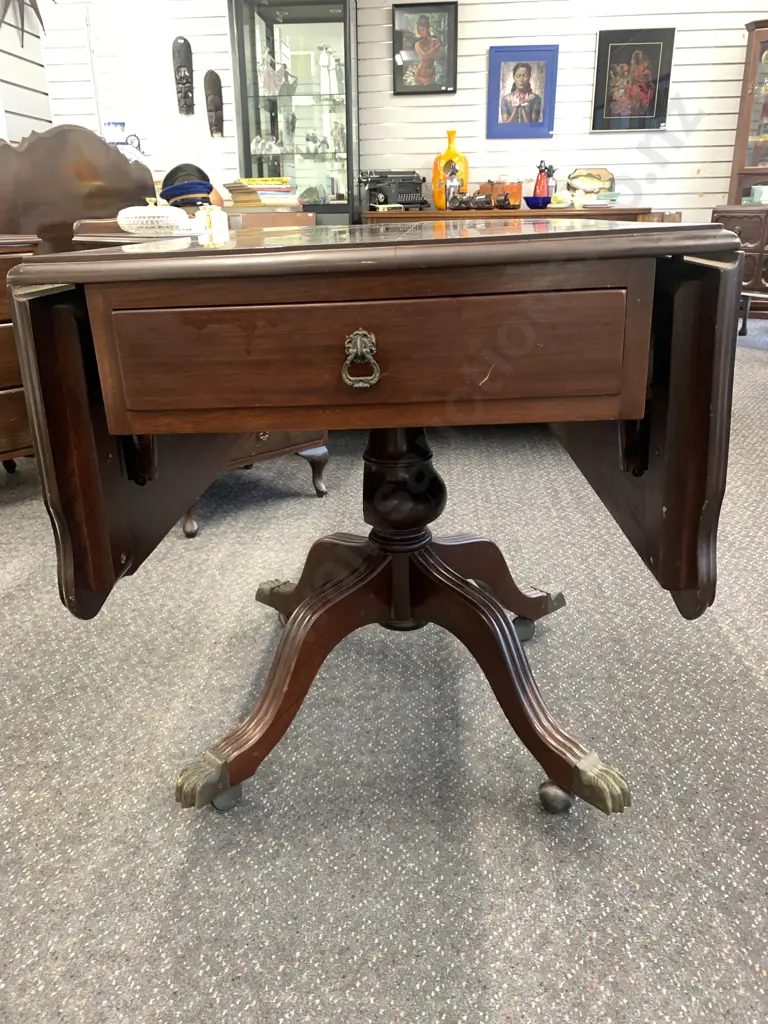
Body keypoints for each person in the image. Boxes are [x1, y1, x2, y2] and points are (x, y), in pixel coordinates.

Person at [412, 14, 442, 86]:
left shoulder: (435, 42)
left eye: (423, 29)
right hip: (419, 75)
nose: (420, 32)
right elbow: (424, 55)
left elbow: (437, 56)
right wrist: (435, 49)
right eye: (419, 30)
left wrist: (435, 48)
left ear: (428, 29)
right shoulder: (417, 44)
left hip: (431, 75)